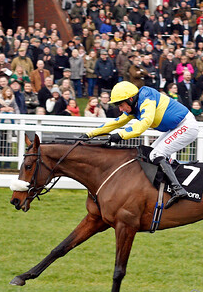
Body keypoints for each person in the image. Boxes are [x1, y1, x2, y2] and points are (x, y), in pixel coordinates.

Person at [82, 80, 196, 208]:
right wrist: (90, 134)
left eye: (121, 105)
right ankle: (163, 188)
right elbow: (116, 122)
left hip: (186, 125)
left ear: (130, 99)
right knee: (151, 154)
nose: (120, 109)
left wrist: (119, 136)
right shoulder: (134, 106)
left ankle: (178, 190)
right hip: (175, 127)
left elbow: (144, 123)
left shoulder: (147, 99)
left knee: (156, 154)